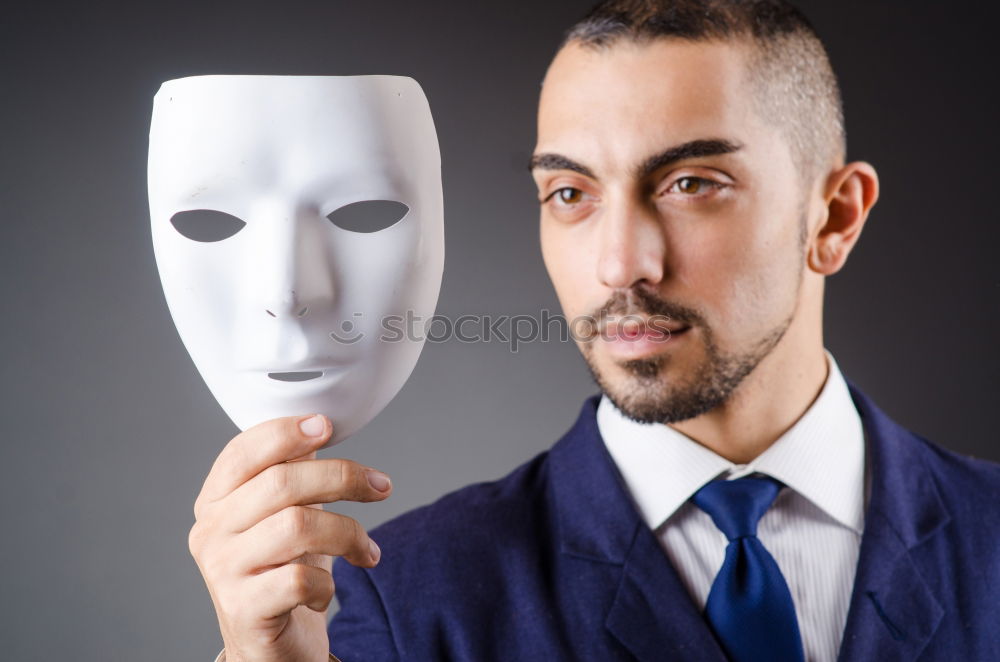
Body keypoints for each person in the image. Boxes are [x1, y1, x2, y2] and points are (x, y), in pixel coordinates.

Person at [187, 1, 1000, 660]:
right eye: (571, 194)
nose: (620, 265)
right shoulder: (398, 600)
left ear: (835, 216)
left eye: (690, 182)